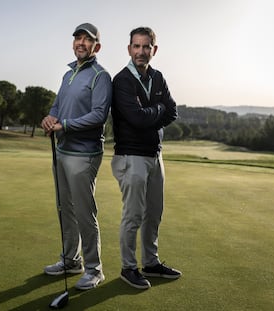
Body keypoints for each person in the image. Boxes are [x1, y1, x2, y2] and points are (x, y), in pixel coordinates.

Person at [41, 22, 112, 290]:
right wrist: (50, 117)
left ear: (97, 46)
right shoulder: (68, 74)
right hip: (62, 150)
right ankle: (71, 260)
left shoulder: (100, 76)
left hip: (85, 154)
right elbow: (58, 104)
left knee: (84, 212)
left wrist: (65, 125)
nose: (81, 43)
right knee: (65, 209)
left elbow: (98, 116)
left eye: (87, 39)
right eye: (77, 38)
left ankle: (94, 269)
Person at [111, 26, 181, 289]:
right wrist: (158, 109)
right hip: (131, 156)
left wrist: (155, 111)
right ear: (129, 49)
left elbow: (172, 112)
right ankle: (129, 268)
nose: (141, 51)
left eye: (146, 46)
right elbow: (137, 119)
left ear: (154, 49)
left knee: (154, 213)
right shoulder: (121, 80)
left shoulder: (158, 77)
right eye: (136, 46)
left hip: (155, 155)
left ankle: (150, 262)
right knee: (134, 215)